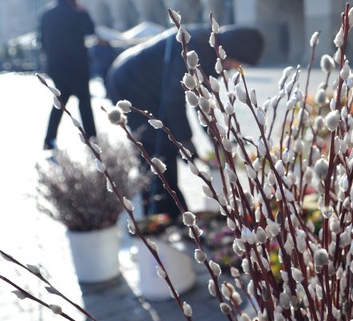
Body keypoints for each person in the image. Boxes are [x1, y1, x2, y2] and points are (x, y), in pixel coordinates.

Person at [105, 25, 263, 220]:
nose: (233, 67)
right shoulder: (194, 49)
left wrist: (217, 141)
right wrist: (187, 143)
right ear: (233, 50)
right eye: (237, 62)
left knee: (164, 149)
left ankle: (169, 214)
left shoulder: (208, 50)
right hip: (129, 86)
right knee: (159, 150)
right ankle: (163, 216)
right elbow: (174, 102)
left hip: (145, 87)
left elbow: (202, 105)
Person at [39, 0, 97, 150]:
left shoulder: (46, 14)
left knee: (59, 103)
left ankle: (49, 140)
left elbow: (42, 41)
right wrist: (84, 11)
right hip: (77, 66)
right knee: (84, 102)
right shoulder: (76, 12)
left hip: (57, 67)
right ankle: (91, 138)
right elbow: (90, 30)